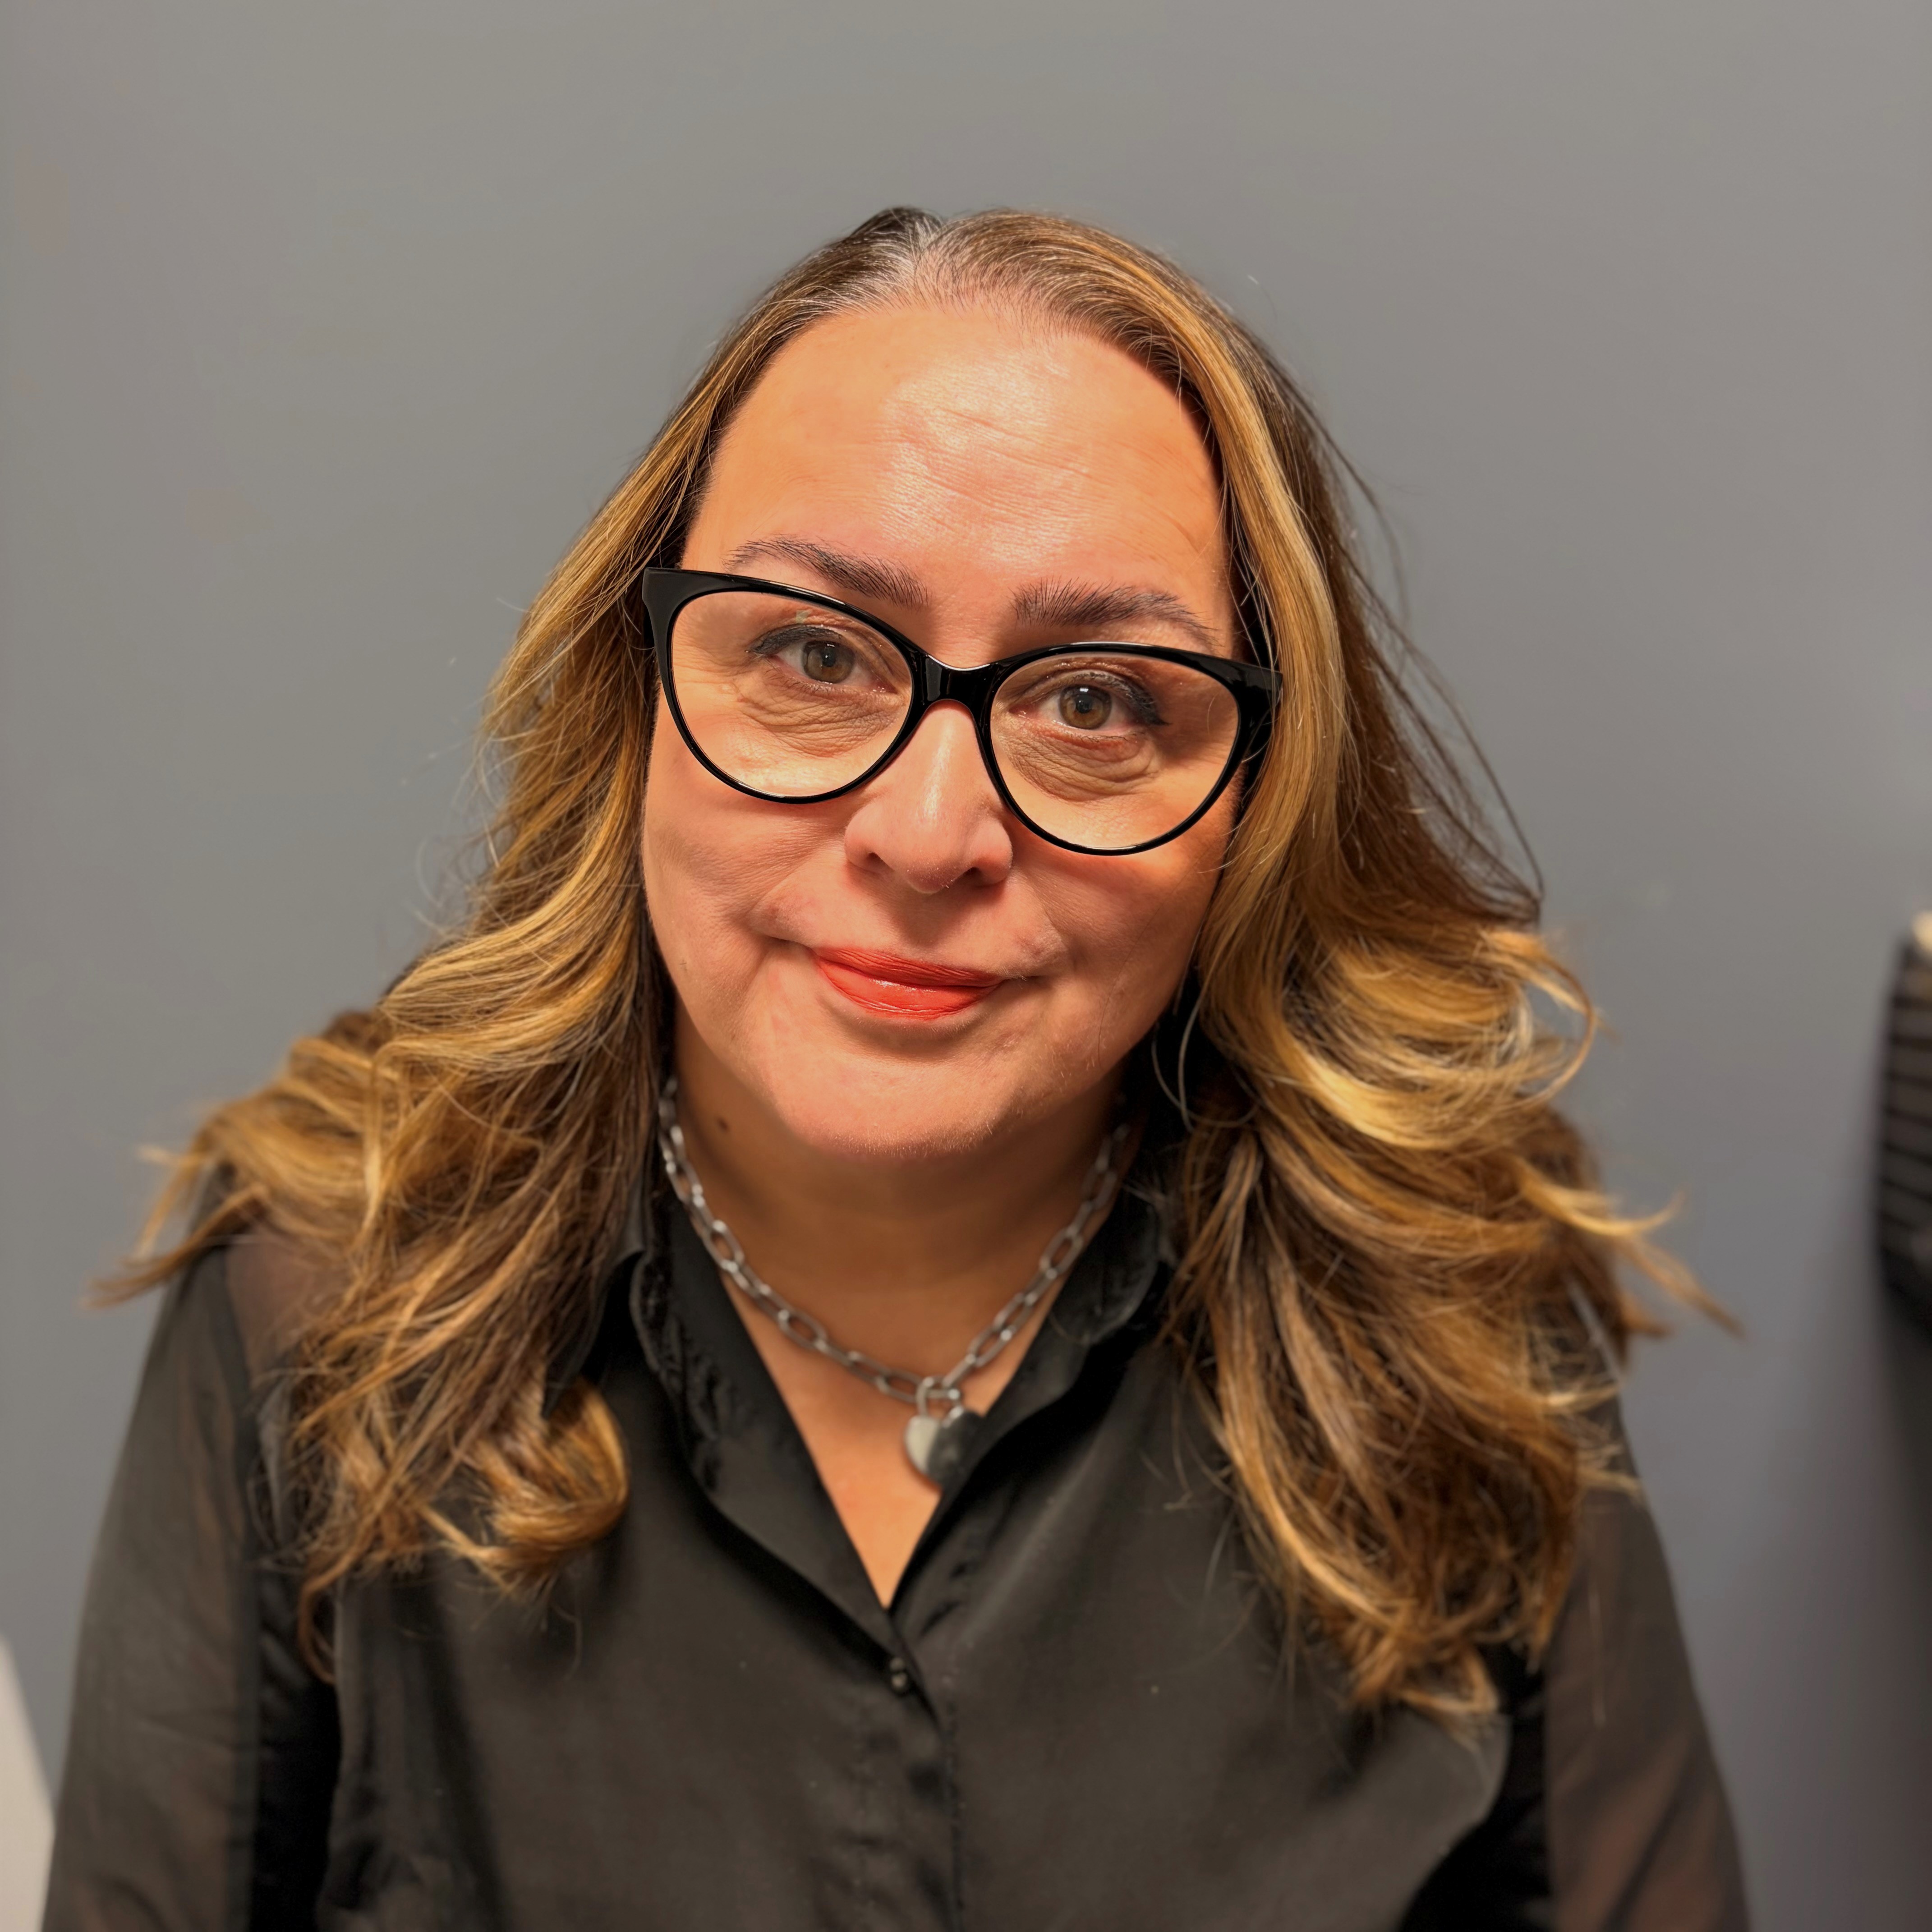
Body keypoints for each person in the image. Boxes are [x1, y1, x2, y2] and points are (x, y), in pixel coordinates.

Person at [43, 207, 1747, 1930]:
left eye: (1097, 702)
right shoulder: (323, 1298)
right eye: (812, 653)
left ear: (1256, 802)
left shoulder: (1451, 1299)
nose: (929, 835)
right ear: (634, 701)